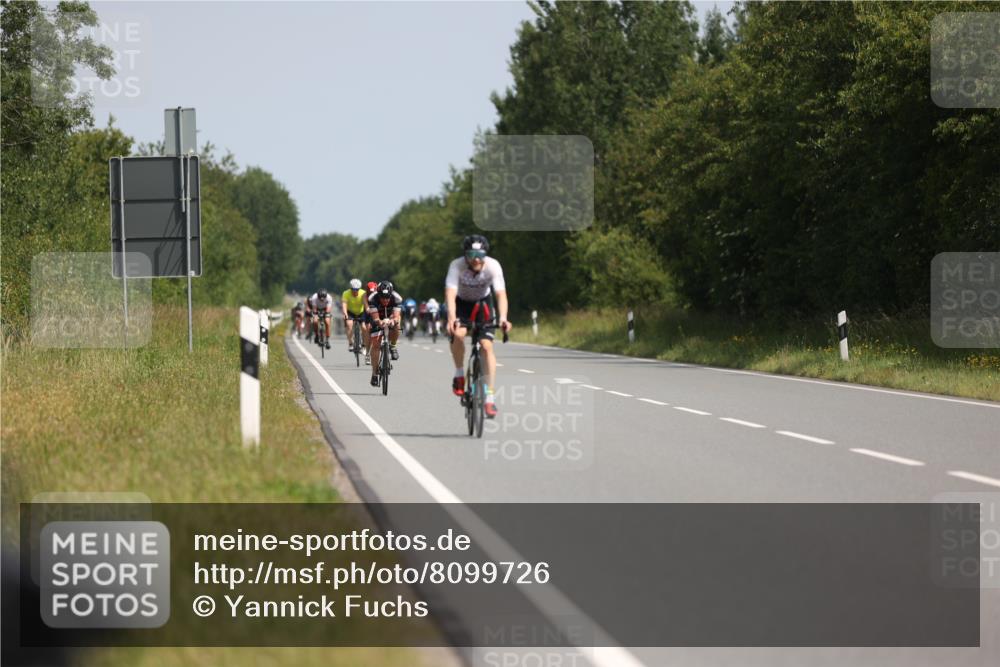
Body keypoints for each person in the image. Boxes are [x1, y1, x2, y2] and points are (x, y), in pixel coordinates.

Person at [445, 235, 511, 418]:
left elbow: (501, 295)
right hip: (462, 304)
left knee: (486, 346)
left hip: (483, 304)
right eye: (471, 254)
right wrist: (451, 318)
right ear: (465, 255)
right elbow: (450, 294)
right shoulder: (456, 266)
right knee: (457, 334)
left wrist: (504, 318)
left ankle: (489, 398)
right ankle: (459, 374)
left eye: (480, 254)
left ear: (485, 255)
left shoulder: (493, 266)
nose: (476, 258)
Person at [368, 281, 402, 386]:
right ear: (378, 295)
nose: (385, 300)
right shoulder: (372, 299)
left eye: (387, 297)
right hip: (378, 317)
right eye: (383, 297)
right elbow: (375, 318)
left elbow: (396, 316)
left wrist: (393, 321)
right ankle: (374, 373)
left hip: (391, 316)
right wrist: (379, 322)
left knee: (397, 325)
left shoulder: (397, 298)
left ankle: (392, 346)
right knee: (376, 345)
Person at [341, 278, 369, 354]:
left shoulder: (363, 293)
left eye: (357, 289)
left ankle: (363, 345)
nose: (355, 291)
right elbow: (344, 305)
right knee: (349, 324)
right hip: (350, 312)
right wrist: (345, 314)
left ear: (359, 289)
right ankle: (350, 343)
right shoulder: (346, 293)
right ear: (350, 288)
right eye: (353, 289)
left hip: (361, 312)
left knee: (364, 327)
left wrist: (368, 311)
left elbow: (365, 303)